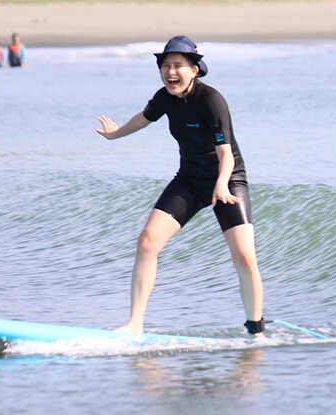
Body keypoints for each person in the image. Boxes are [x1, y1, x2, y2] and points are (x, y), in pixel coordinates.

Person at [95, 35, 265, 338]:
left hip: (228, 180)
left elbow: (226, 154)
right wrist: (115, 133)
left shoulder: (211, 100)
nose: (170, 72)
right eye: (166, 66)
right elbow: (143, 119)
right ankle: (135, 324)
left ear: (194, 70)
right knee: (147, 242)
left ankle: (256, 331)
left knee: (245, 257)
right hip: (189, 179)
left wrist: (221, 185)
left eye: (178, 66)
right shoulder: (164, 97)